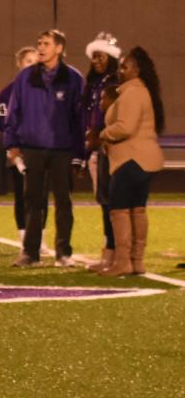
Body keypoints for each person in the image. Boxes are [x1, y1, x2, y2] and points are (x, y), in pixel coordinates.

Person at [1, 28, 86, 266]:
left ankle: (64, 253)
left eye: (46, 43)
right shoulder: (25, 77)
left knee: (63, 202)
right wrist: (12, 143)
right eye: (39, 43)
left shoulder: (73, 78)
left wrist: (80, 153)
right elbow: (13, 111)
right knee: (33, 201)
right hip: (33, 147)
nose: (41, 47)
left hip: (62, 149)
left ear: (59, 48)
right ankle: (30, 253)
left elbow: (79, 119)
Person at [95, 47, 165, 276]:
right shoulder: (141, 90)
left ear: (138, 70)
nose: (120, 70)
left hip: (131, 160)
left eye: (125, 66)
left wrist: (103, 134)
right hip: (143, 160)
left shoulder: (133, 92)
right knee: (137, 210)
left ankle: (123, 261)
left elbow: (125, 127)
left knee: (119, 210)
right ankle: (136, 261)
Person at [79, 33, 121, 272]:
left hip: (109, 146)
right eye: (93, 56)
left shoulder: (115, 82)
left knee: (110, 201)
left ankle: (114, 252)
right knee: (103, 200)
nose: (95, 60)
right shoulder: (93, 83)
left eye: (100, 55)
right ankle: (110, 251)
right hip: (96, 147)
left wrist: (100, 133)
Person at [0, 45, 41, 236]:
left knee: (40, 195)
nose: (32, 66)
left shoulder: (44, 88)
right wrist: (15, 137)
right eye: (28, 61)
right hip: (19, 149)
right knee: (22, 194)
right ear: (20, 64)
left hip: (40, 148)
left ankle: (39, 236)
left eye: (36, 62)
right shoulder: (8, 91)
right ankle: (23, 236)